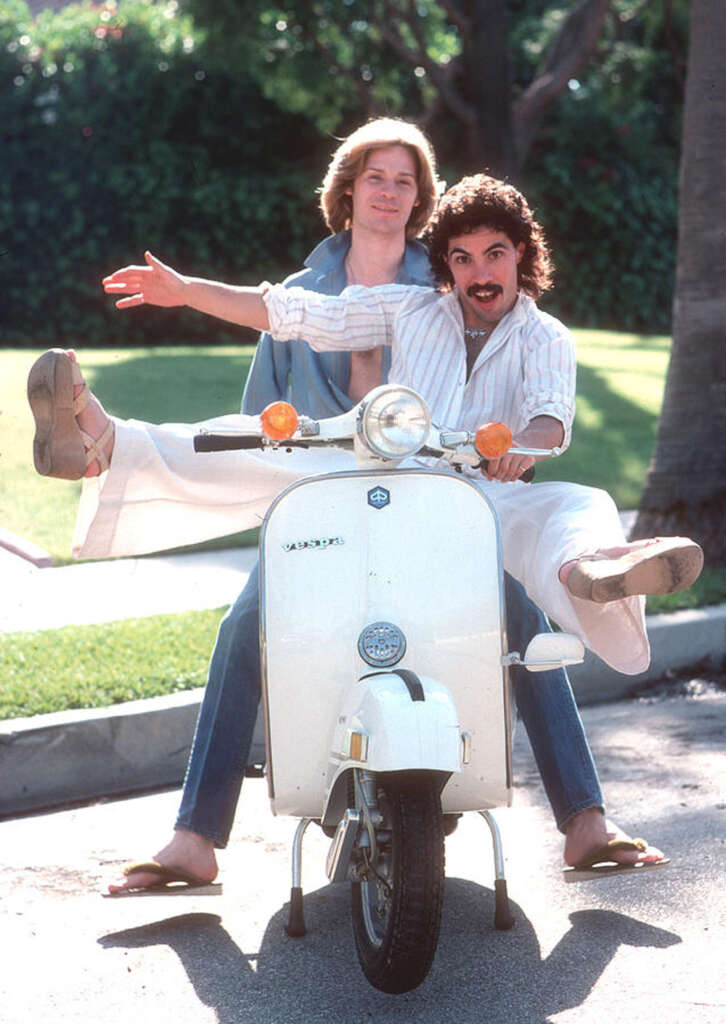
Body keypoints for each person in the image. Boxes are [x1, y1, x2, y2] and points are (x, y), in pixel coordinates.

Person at [30, 153, 682, 890]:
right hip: (383, 483)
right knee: (262, 467)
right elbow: (297, 313)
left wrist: (519, 450)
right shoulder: (409, 307)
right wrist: (185, 292)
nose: (479, 272)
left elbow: (548, 418)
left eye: (496, 253)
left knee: (567, 518)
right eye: (462, 258)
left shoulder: (546, 337)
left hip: (477, 501)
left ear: (524, 257)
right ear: (445, 265)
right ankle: (103, 442)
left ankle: (589, 595)